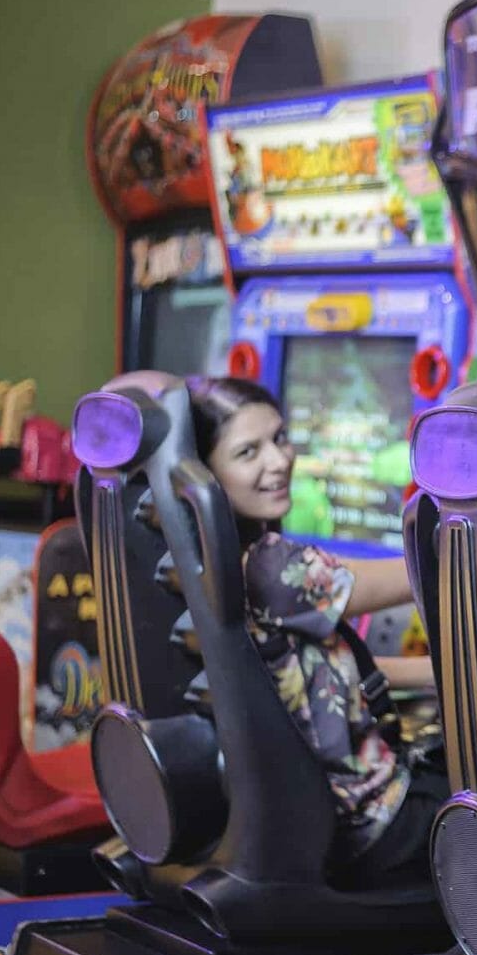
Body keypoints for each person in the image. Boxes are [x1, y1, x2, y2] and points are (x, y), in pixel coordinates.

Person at [186, 375, 445, 888]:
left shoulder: (206, 561)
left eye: (280, 438)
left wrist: (452, 674)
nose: (279, 461)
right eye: (247, 452)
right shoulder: (272, 571)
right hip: (373, 821)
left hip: (326, 815)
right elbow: (421, 571)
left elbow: (337, 674)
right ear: (206, 476)